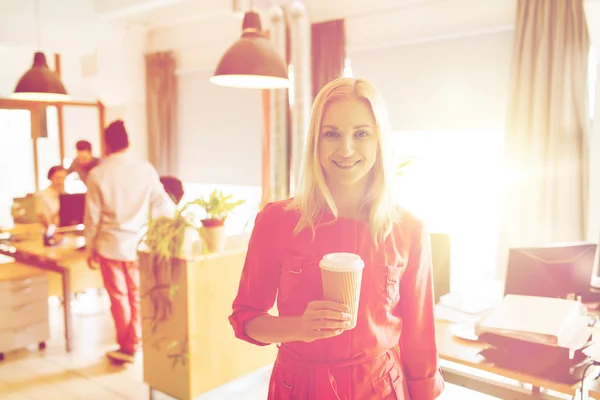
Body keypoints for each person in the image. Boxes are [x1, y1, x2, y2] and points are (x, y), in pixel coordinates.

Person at [229, 78, 444, 399]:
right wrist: (299, 327)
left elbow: (420, 335)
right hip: (298, 386)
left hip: (379, 387)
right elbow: (246, 319)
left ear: (379, 142)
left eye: (361, 134)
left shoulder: (408, 228)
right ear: (315, 141)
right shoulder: (276, 220)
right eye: (332, 134)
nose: (345, 149)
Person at [84, 120, 174, 364]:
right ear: (128, 142)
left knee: (119, 298)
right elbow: (162, 202)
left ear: (106, 144)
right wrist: (170, 229)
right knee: (136, 295)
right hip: (138, 244)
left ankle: (127, 347)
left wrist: (89, 247)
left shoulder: (98, 174)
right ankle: (134, 341)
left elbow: (92, 217)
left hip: (109, 245)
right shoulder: (144, 169)